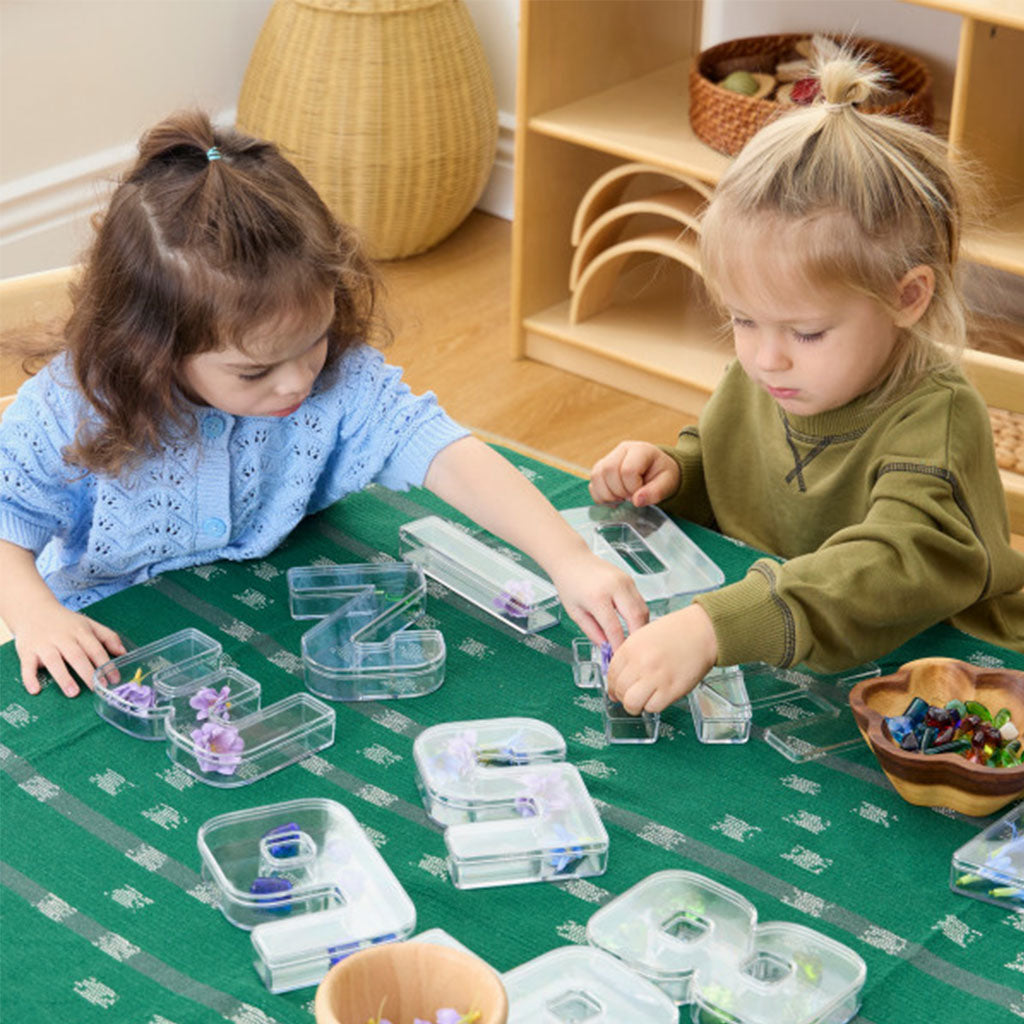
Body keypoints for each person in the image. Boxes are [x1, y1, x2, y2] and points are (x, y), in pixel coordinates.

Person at [0, 110, 648, 698]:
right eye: (254, 371)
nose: (296, 384)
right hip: (111, 625)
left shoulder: (339, 376)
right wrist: (33, 613)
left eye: (314, 339)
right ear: (152, 350)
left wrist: (569, 559)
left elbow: (442, 451)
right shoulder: (72, 408)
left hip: (275, 596)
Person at [589, 47, 1024, 715]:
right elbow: (734, 475)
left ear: (907, 298)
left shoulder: (936, 417)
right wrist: (677, 476)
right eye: (743, 320)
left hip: (952, 668)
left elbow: (893, 566)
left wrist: (715, 627)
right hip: (802, 651)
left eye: (807, 332)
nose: (767, 358)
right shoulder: (771, 373)